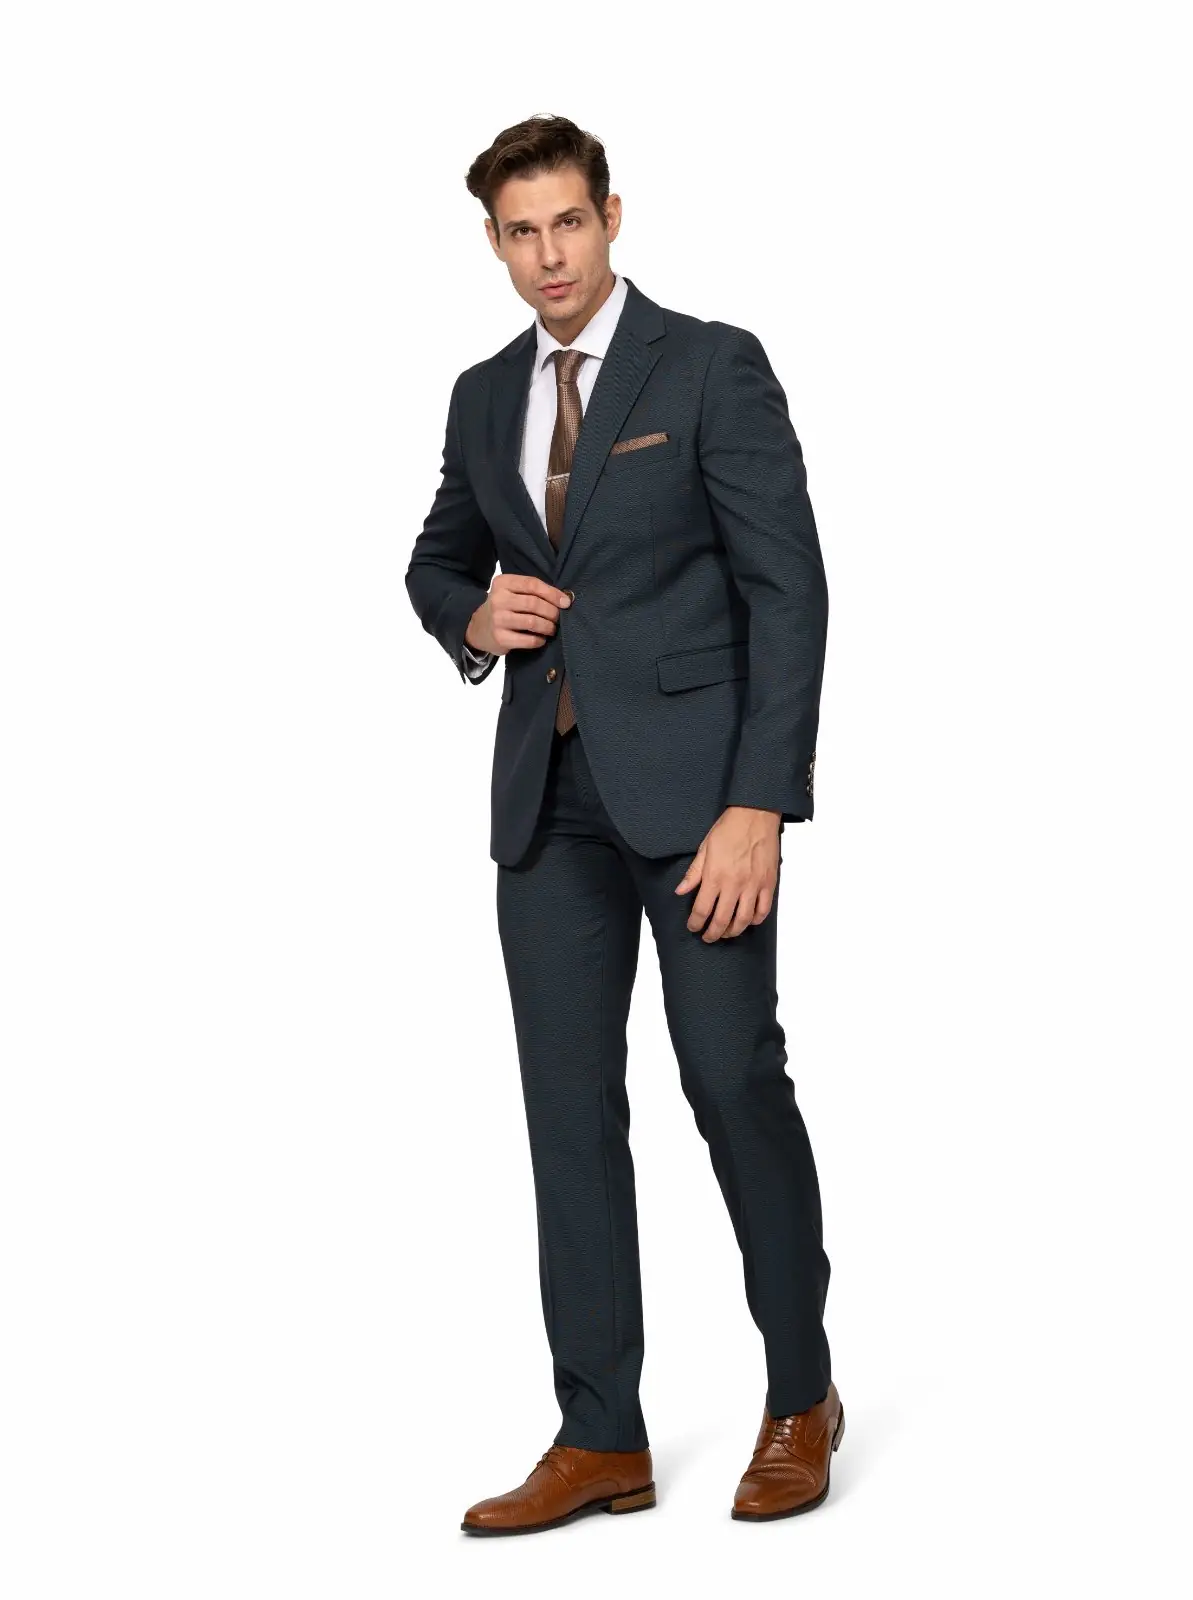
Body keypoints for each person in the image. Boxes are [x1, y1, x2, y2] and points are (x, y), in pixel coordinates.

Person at [404, 114, 841, 1533]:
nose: (549, 256)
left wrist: (761, 803)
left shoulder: (709, 364)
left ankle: (801, 1392)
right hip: (549, 809)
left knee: (731, 1079)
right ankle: (601, 1434)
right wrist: (473, 615)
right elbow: (436, 559)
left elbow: (789, 592)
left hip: (702, 805)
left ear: (611, 216)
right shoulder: (484, 396)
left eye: (569, 223)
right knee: (568, 1114)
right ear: (494, 243)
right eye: (520, 233)